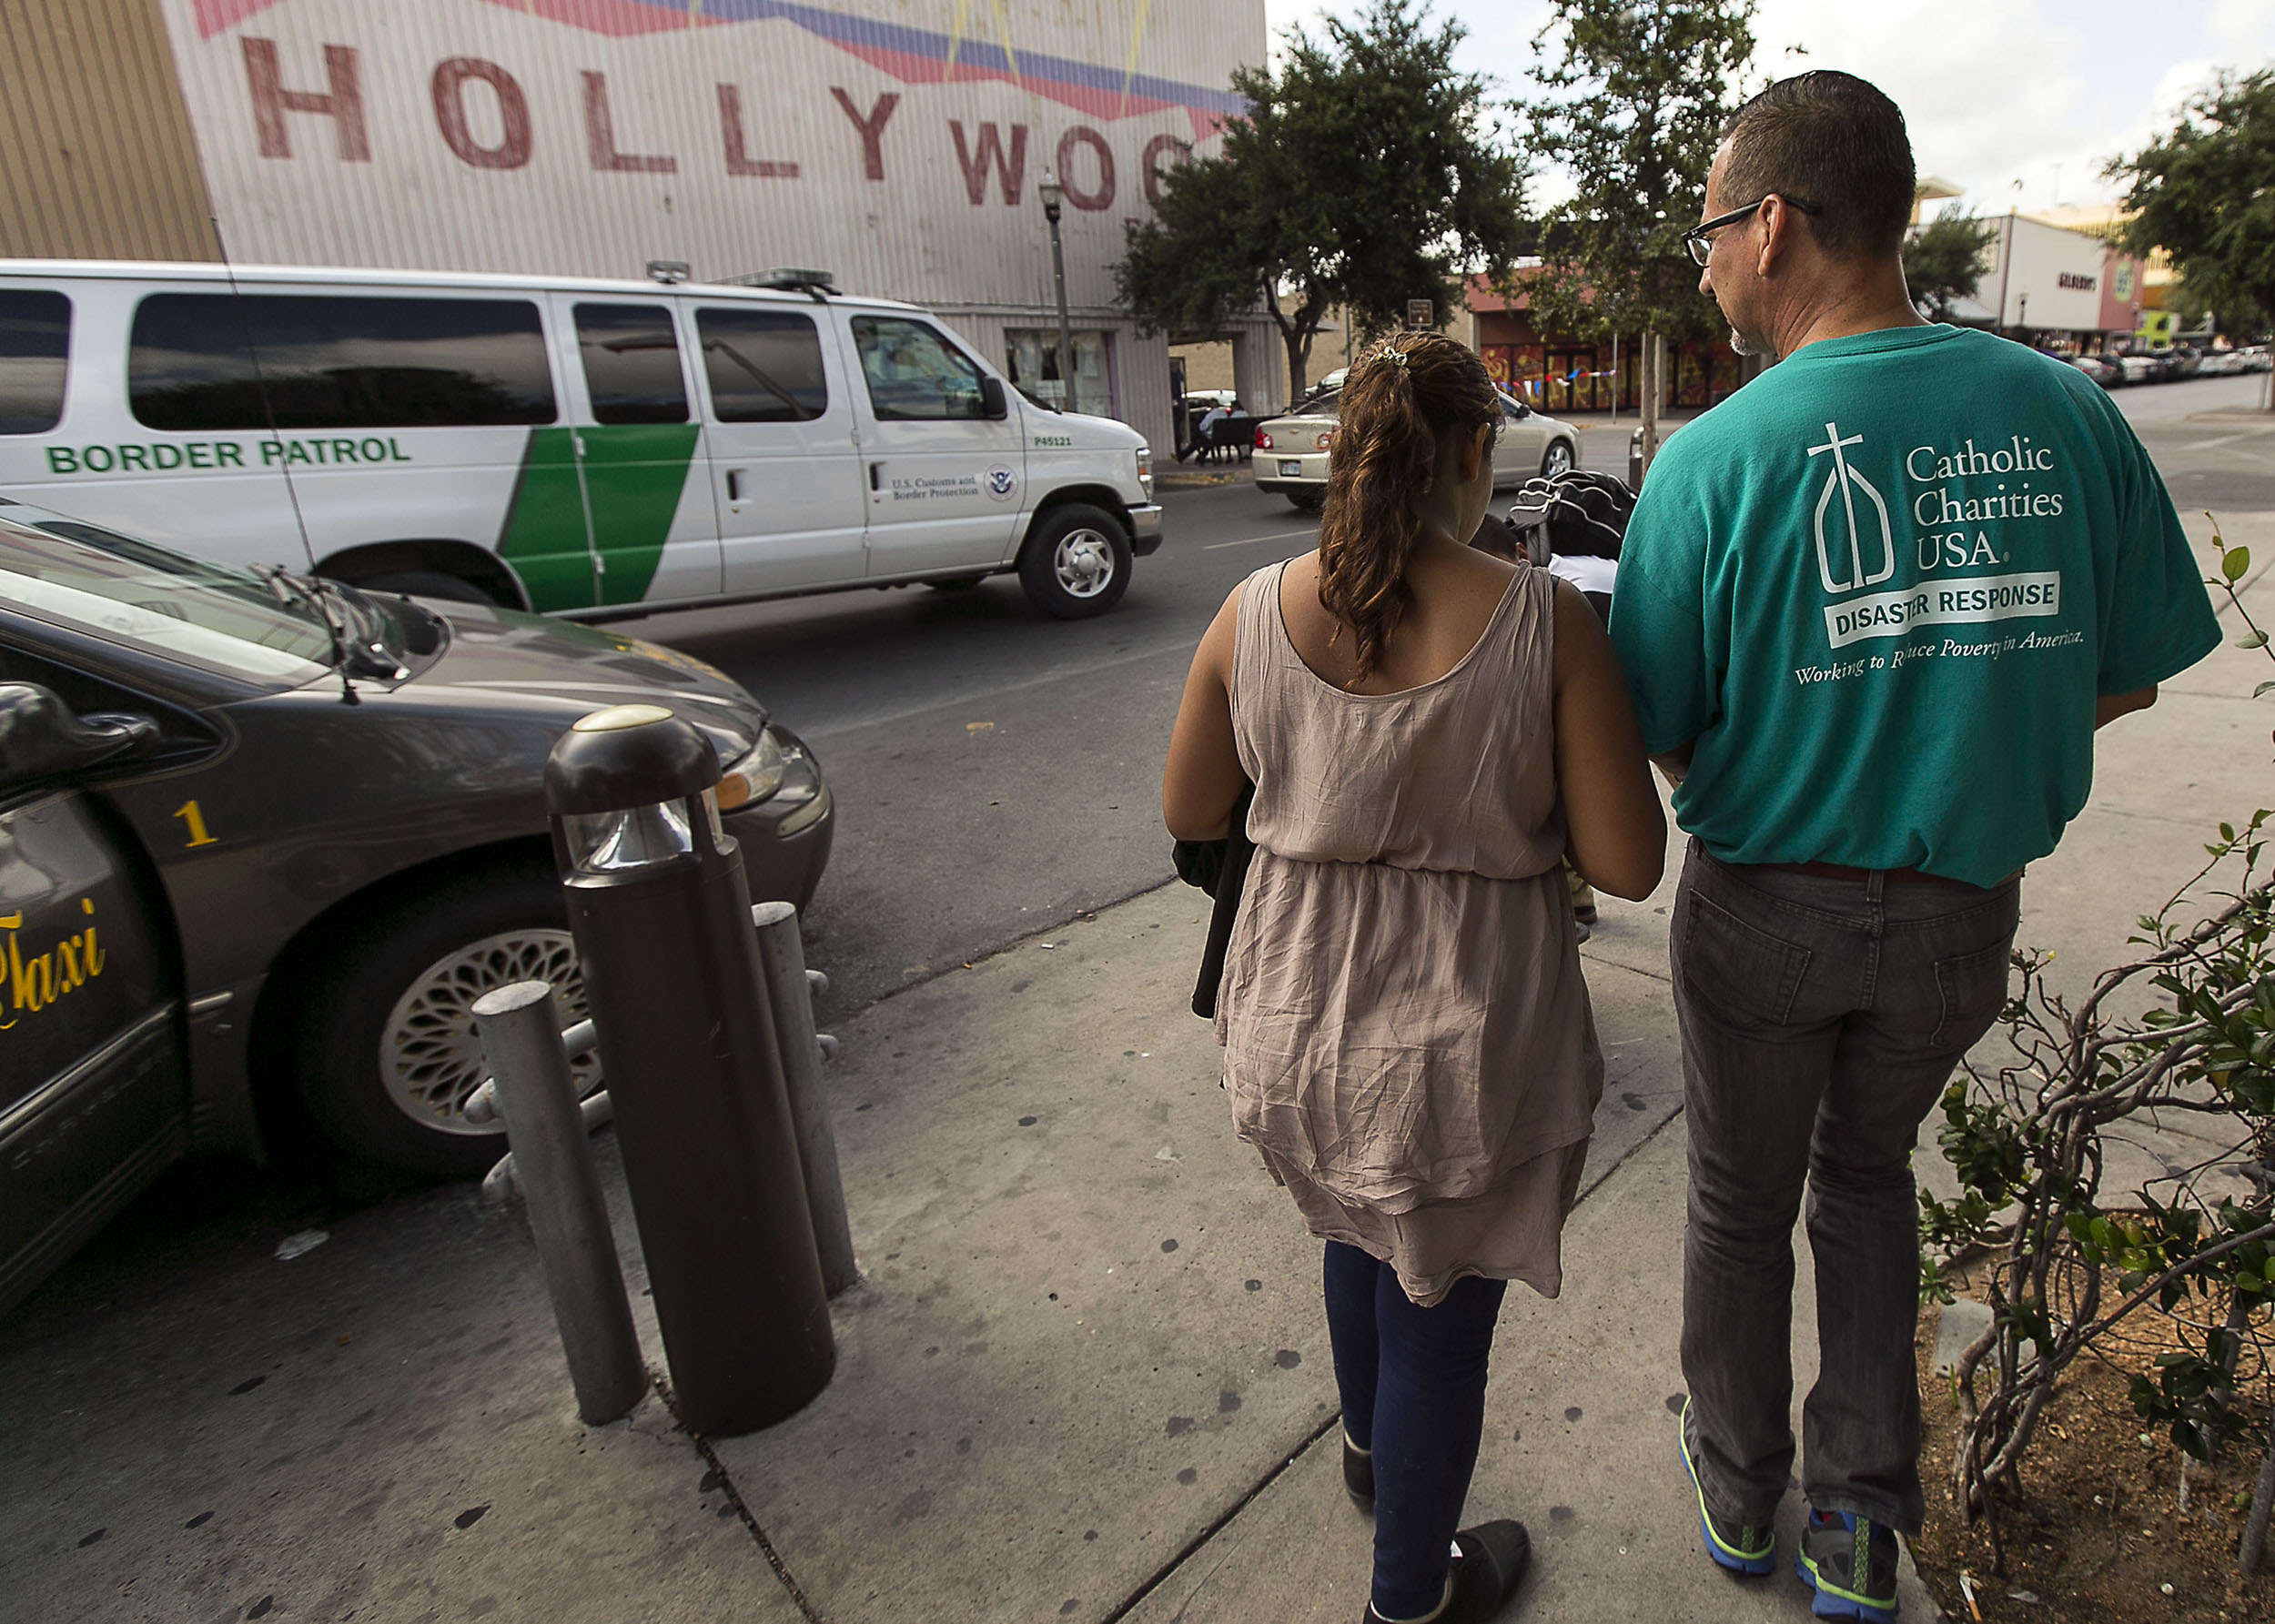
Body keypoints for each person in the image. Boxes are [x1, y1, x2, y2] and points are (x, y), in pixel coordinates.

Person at [1608, 70, 2222, 1621]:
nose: (1700, 266)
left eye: (1706, 232)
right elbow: (2133, 660)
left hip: (1763, 913)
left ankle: (1742, 1493)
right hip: (1961, 919)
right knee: (1867, 1180)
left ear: (1773, 225)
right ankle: (1862, 1526)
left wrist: (1787, 741)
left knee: (1742, 1206)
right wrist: (1977, 714)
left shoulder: (1710, 460)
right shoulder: (2062, 410)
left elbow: (1656, 716)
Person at [1163, 332, 1666, 1624]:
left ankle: (1370, 1455)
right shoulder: (1539, 617)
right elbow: (1627, 862)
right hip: (1456, 1047)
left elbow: (1188, 807)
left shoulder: (1250, 611)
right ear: (1472, 454)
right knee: (1437, 1303)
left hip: (1289, 1023)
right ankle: (1411, 1597)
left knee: (1354, 1225)